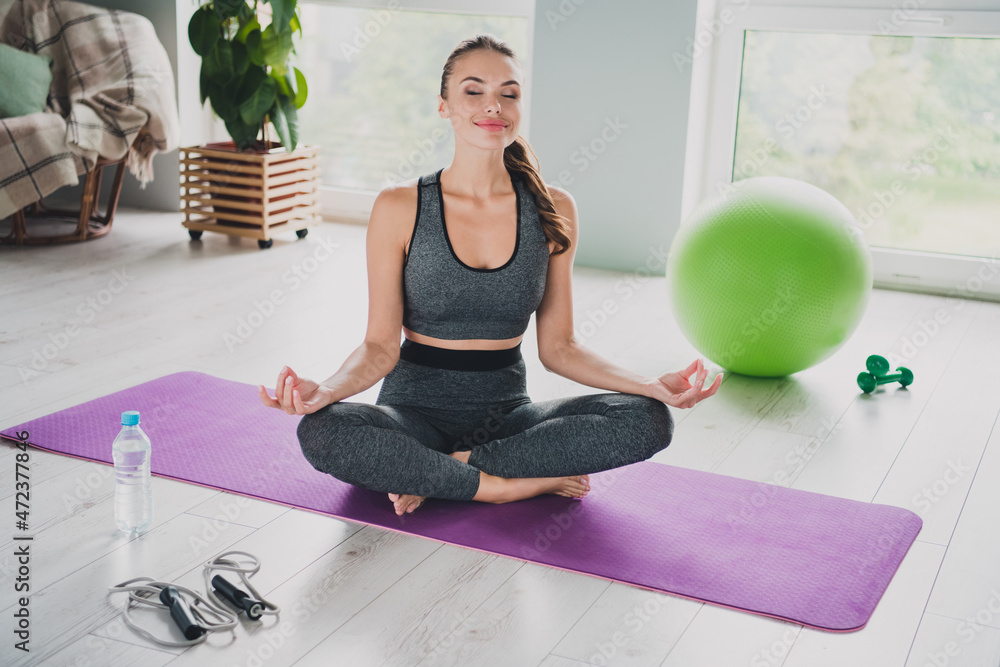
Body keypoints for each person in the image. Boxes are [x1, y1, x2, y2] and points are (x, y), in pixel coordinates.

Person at [259, 34, 722, 517]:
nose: (493, 105)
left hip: (509, 419)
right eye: (473, 91)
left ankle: (440, 472)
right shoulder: (400, 206)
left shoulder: (553, 208)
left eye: (509, 92)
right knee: (321, 430)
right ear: (444, 106)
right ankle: (508, 485)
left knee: (647, 420)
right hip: (411, 415)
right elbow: (379, 346)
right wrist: (328, 391)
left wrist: (650, 386)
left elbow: (560, 348)